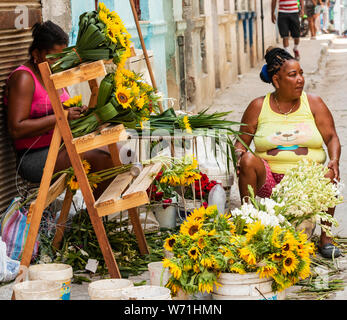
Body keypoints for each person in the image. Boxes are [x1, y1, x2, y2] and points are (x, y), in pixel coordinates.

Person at [234, 47, 342, 259]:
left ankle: (326, 238)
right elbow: (240, 144)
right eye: (293, 75)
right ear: (276, 80)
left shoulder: (313, 103)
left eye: (301, 73)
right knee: (248, 159)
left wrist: (335, 160)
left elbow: (331, 137)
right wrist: (239, 156)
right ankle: (247, 224)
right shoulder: (258, 106)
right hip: (270, 182)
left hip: (307, 183)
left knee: (330, 175)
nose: (300, 79)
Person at [4, 21, 116, 199]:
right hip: (34, 157)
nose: (57, 63)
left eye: (61, 57)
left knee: (113, 149)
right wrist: (62, 116)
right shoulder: (24, 78)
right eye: (52, 57)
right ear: (36, 53)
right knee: (101, 158)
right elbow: (16, 128)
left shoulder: (55, 76)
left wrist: (76, 113)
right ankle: (97, 220)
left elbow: (60, 111)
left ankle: (96, 219)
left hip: (60, 147)